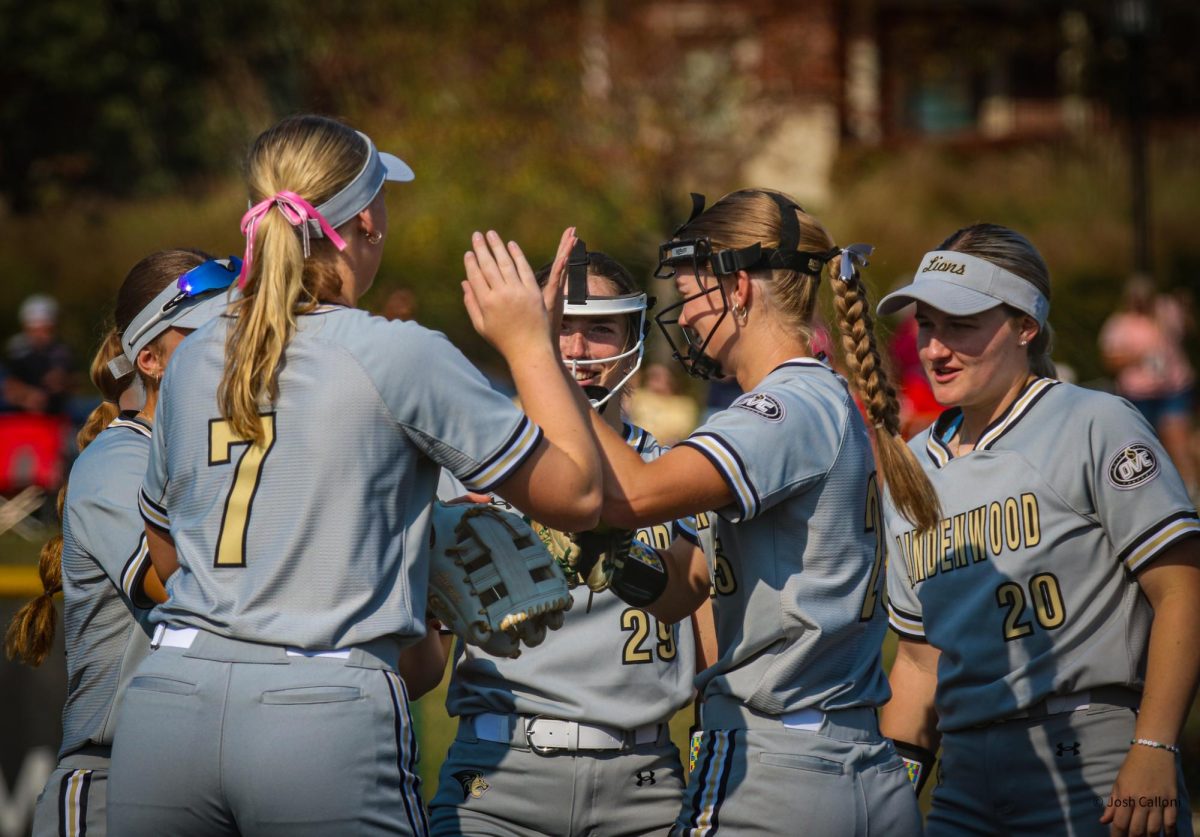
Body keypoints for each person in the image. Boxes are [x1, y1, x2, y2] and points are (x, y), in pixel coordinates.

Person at [105, 114, 601, 836]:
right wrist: (532, 342)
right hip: (320, 706)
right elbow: (579, 494)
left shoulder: (197, 354)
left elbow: (166, 554)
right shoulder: (395, 352)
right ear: (365, 221)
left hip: (167, 700)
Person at [580, 188, 938, 836]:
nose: (684, 317)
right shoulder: (819, 396)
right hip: (846, 758)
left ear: (737, 288)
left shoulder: (784, 408)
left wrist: (550, 360)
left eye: (691, 295)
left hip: (777, 772)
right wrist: (613, 562)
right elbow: (697, 588)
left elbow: (630, 492)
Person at [876, 224, 1200, 837]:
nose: (936, 349)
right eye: (927, 325)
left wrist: (1155, 746)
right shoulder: (909, 466)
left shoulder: (1093, 422)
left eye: (962, 324)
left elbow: (1183, 590)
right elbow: (919, 664)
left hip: (1096, 758)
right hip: (963, 780)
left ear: (1026, 325)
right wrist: (891, 795)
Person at [430, 250, 716, 837]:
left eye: (600, 329)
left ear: (633, 339)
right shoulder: (471, 472)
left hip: (643, 779)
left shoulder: (681, 473)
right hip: (496, 771)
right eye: (560, 327)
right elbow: (421, 666)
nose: (580, 352)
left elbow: (712, 653)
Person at [5, 248, 235, 837]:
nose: (230, 345)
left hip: (216, 780)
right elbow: (180, 587)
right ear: (150, 360)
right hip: (114, 779)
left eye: (238, 326)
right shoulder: (116, 460)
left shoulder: (233, 464)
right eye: (206, 331)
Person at [1100, 274, 1197, 498]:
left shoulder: (1166, 310)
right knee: (1143, 446)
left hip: (1173, 388)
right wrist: (1138, 357)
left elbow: (1188, 329)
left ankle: (1191, 492)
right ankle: (1153, 493)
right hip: (1138, 394)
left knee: (1178, 440)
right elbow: (1109, 359)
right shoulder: (1120, 323)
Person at [3, 294, 75, 414]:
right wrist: (27, 396)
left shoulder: (61, 351)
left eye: (46, 330)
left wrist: (62, 382)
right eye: (35, 330)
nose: (41, 335)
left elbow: (71, 381)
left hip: (54, 414)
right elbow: (8, 385)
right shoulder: (15, 350)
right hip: (18, 416)